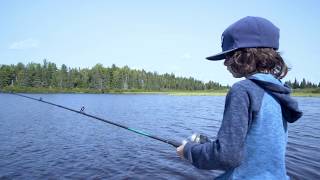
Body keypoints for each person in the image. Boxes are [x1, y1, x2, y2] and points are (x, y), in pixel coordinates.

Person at [176, 16, 303, 179]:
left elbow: (226, 156)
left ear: (246, 54)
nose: (225, 63)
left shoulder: (243, 90)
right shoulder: (278, 91)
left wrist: (188, 151)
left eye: (228, 56)